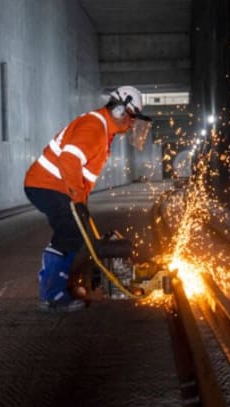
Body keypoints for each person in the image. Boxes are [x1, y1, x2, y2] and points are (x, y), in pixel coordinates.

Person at [24, 86, 152, 311]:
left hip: (58, 187)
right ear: (120, 111)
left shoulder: (104, 131)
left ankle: (59, 287)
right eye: (131, 118)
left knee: (76, 233)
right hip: (46, 185)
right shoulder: (94, 127)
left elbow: (82, 174)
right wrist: (75, 197)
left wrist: (81, 202)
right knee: (70, 231)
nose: (132, 125)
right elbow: (69, 161)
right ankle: (52, 295)